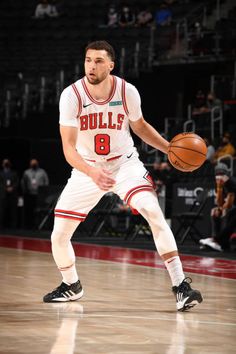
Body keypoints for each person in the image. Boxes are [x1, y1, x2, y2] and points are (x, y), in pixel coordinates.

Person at [43, 40, 203, 311]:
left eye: (98, 61)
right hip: (87, 168)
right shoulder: (72, 95)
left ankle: (181, 286)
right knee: (58, 235)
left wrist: (168, 149)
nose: (91, 66)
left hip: (125, 165)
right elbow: (68, 149)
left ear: (111, 65)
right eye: (88, 60)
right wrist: (92, 171)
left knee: (153, 212)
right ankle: (71, 285)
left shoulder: (127, 91)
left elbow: (139, 127)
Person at [199, 162, 236, 251]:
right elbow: (220, 203)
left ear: (227, 174)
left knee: (231, 214)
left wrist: (222, 209)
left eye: (222, 174)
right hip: (233, 208)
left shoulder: (232, 183)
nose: (219, 176)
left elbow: (229, 204)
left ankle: (217, 241)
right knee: (215, 212)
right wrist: (219, 188)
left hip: (233, 208)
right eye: (217, 174)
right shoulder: (218, 185)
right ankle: (217, 242)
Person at [21, 158, 49, 229]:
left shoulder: (42, 172)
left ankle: (39, 226)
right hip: (29, 194)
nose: (34, 164)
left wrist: (44, 192)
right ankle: (29, 225)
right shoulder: (26, 172)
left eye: (35, 163)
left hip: (39, 195)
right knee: (29, 210)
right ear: (30, 164)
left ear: (37, 164)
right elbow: (23, 182)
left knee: (39, 211)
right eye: (32, 163)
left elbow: (46, 182)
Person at [0, 159, 19, 229]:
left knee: (13, 211)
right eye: (5, 162)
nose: (6, 164)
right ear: (2, 164)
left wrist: (12, 188)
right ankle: (1, 226)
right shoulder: (0, 173)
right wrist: (5, 188)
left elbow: (17, 182)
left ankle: (13, 226)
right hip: (3, 195)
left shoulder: (14, 173)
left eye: (7, 162)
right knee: (2, 211)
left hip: (12, 195)